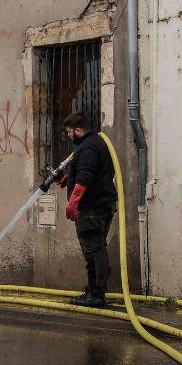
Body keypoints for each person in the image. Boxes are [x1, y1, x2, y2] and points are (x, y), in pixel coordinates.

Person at [58, 112, 117, 308]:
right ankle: (94, 290)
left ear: (78, 130)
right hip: (102, 204)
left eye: (69, 132)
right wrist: (68, 178)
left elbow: (85, 177)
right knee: (97, 248)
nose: (68, 136)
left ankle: (96, 294)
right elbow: (92, 172)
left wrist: (73, 203)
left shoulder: (88, 148)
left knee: (94, 251)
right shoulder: (95, 143)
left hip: (92, 208)